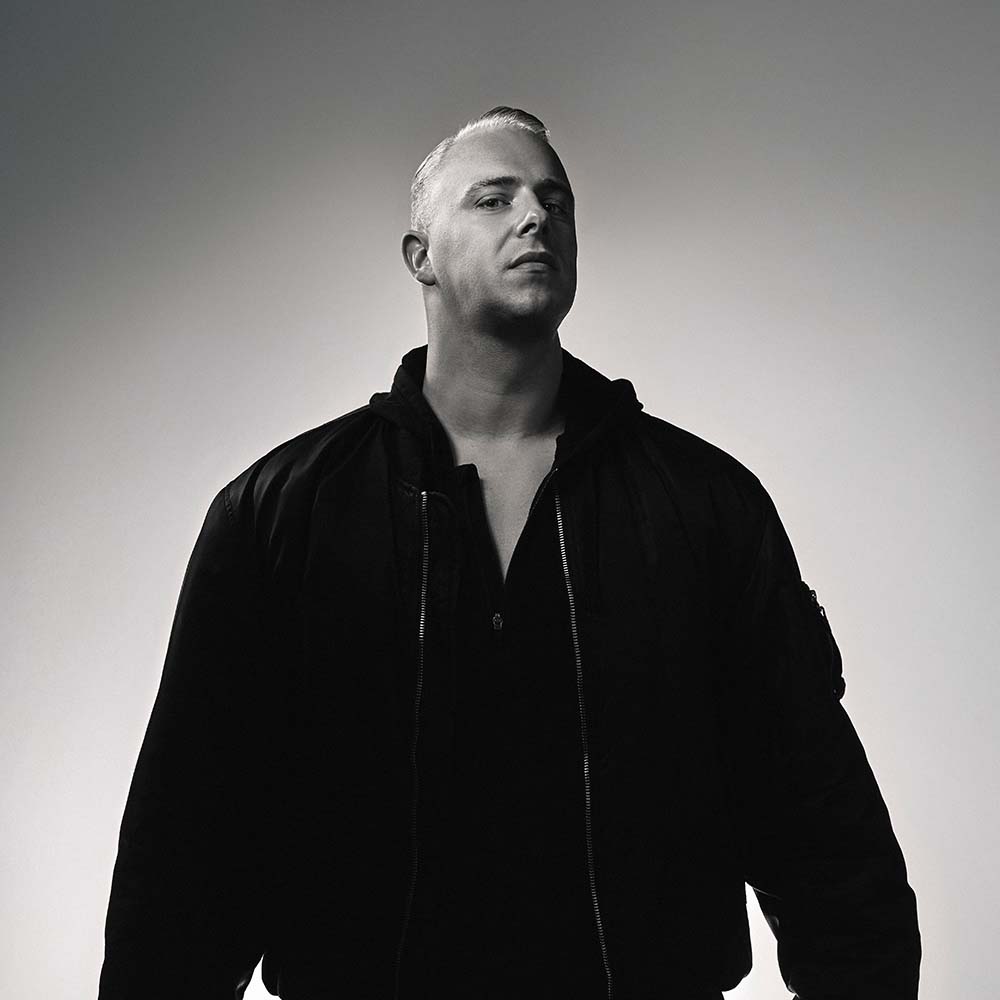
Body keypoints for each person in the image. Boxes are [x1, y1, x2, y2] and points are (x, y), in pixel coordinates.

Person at [99, 107, 921, 999]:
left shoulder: (704, 505)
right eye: (494, 199)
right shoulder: (281, 513)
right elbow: (185, 862)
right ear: (420, 256)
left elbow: (822, 831)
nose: (536, 216)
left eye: (554, 201)